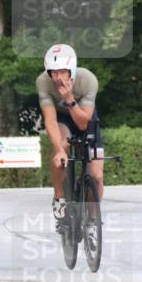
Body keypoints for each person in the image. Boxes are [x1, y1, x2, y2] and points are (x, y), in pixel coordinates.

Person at [35, 43, 104, 223]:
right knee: (62, 148)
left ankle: (92, 221)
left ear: (71, 70)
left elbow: (83, 123)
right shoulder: (43, 82)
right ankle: (59, 197)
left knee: (96, 176)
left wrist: (69, 99)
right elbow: (50, 120)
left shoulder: (88, 80)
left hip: (84, 116)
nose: (58, 78)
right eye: (53, 73)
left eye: (62, 72)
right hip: (62, 119)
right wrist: (58, 150)